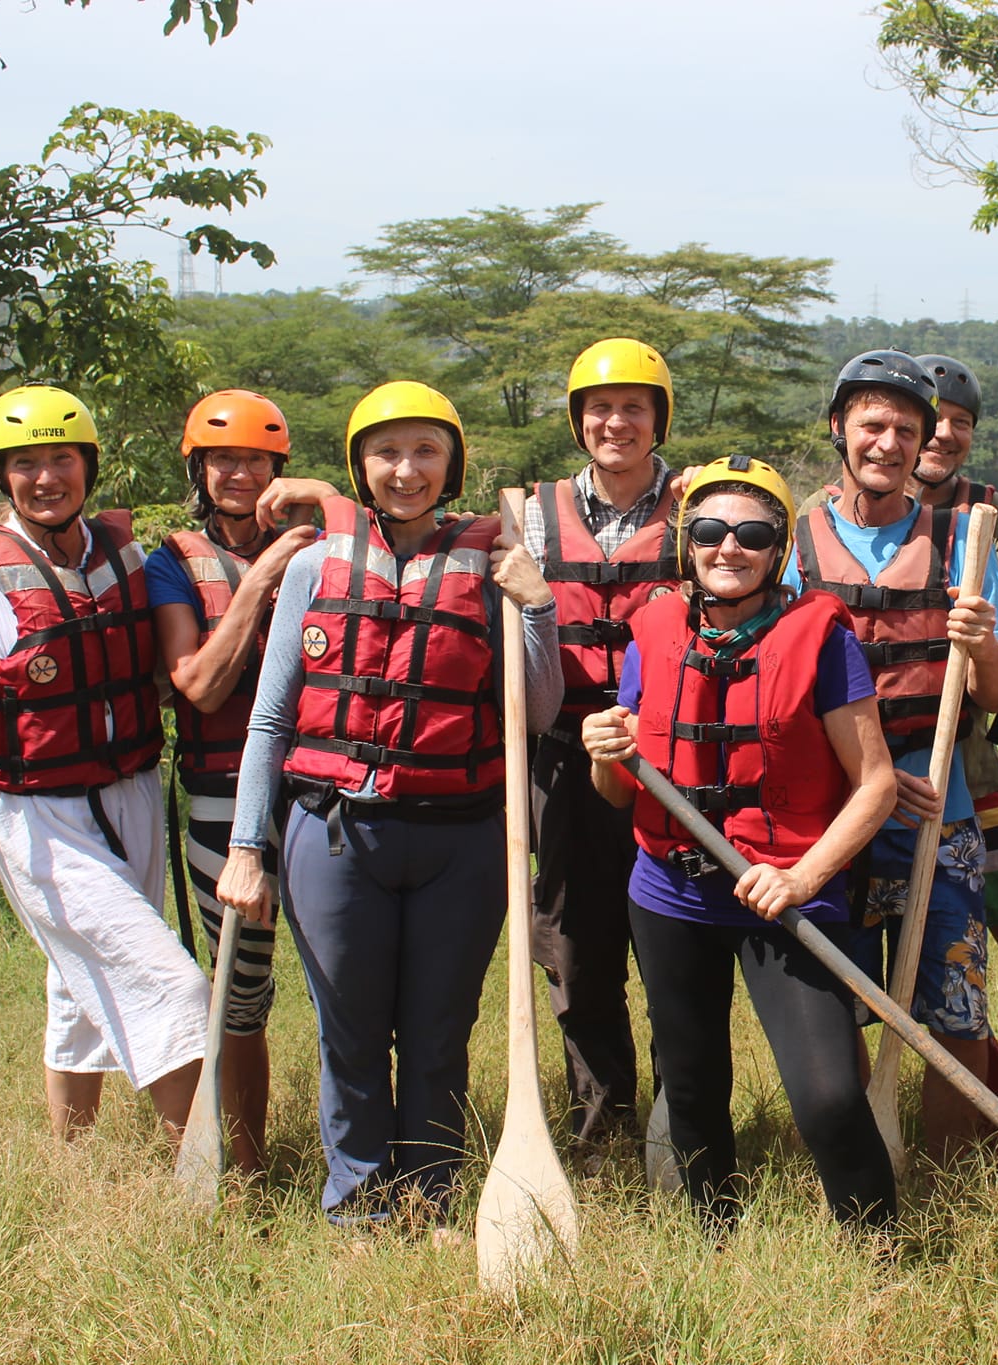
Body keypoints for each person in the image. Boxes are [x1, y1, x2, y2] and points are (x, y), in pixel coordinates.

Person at [214, 381, 561, 1234]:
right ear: (359, 467)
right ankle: (357, 1204)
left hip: (460, 838)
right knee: (352, 1033)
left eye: (426, 452)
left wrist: (538, 606)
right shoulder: (309, 565)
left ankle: (432, 1195)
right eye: (387, 452)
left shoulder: (490, 565)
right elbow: (270, 715)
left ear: (452, 465)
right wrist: (247, 846)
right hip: (333, 833)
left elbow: (540, 712)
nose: (406, 470)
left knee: (439, 1032)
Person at [0, 384, 207, 1146]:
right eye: (25, 464)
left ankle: (72, 1161)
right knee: (171, 982)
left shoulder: (120, 550)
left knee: (79, 981)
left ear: (87, 464)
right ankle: (207, 1177)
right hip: (35, 811)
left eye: (62, 458)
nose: (47, 477)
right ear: (2, 476)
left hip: (132, 790)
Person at [581, 455, 899, 1229]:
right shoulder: (653, 628)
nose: (730, 547)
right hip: (671, 892)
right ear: (687, 544)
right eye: (711, 531)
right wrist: (604, 754)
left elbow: (877, 784)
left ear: (779, 547)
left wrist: (801, 877)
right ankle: (712, 1238)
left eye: (752, 533)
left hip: (786, 890)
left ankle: (882, 1254)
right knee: (689, 1080)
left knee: (826, 1094)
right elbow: (617, 791)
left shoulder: (821, 640)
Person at [790, 350, 998, 1162]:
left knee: (957, 1008)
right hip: (839, 814)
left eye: (905, 429)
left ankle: (949, 1180)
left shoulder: (966, 542)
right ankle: (864, 1162)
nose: (887, 443)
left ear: (925, 440)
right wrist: (873, 787)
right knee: (843, 1001)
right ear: (839, 431)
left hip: (941, 808)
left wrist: (982, 639)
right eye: (871, 426)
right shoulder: (795, 545)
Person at [146, 389, 336, 1173]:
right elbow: (200, 684)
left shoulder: (324, 539)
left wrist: (324, 503)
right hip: (226, 799)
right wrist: (261, 577)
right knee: (240, 997)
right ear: (199, 467)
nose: (238, 472)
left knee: (348, 990)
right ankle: (247, 1164)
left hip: (323, 791)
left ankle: (358, 1160)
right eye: (222, 458)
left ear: (276, 468)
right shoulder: (172, 562)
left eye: (254, 459)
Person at [518, 338, 682, 1157]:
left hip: (669, 763)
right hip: (562, 754)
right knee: (577, 949)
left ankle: (679, 1116)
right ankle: (603, 1119)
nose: (615, 422)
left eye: (634, 408)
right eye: (600, 408)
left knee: (669, 942)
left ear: (658, 419)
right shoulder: (532, 513)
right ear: (579, 421)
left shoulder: (698, 510)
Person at [908, 353, 998, 1035]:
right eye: (930, 419)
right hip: (867, 747)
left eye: (960, 422)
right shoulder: (829, 514)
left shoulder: (993, 518)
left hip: (968, 749)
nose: (942, 434)